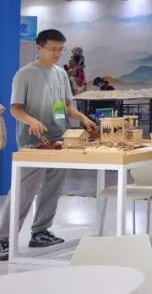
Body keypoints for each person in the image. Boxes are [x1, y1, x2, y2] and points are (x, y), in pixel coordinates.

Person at [1, 30, 97, 260]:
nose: (57, 53)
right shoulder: (24, 75)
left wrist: (81, 117)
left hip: (61, 139)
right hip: (33, 142)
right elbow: (15, 108)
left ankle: (40, 231)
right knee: (23, 190)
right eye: (53, 49)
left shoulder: (61, 74)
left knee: (53, 187)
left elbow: (65, 105)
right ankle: (3, 237)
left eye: (60, 49)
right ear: (39, 48)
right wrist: (32, 121)